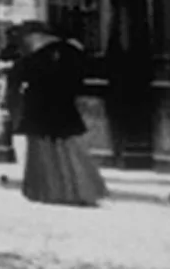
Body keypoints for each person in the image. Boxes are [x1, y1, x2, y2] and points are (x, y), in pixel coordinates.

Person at [9, 35, 107, 206]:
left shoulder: (31, 60)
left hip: (39, 110)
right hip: (63, 108)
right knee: (69, 150)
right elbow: (80, 79)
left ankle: (47, 190)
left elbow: (15, 80)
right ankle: (77, 190)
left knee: (43, 151)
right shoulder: (69, 54)